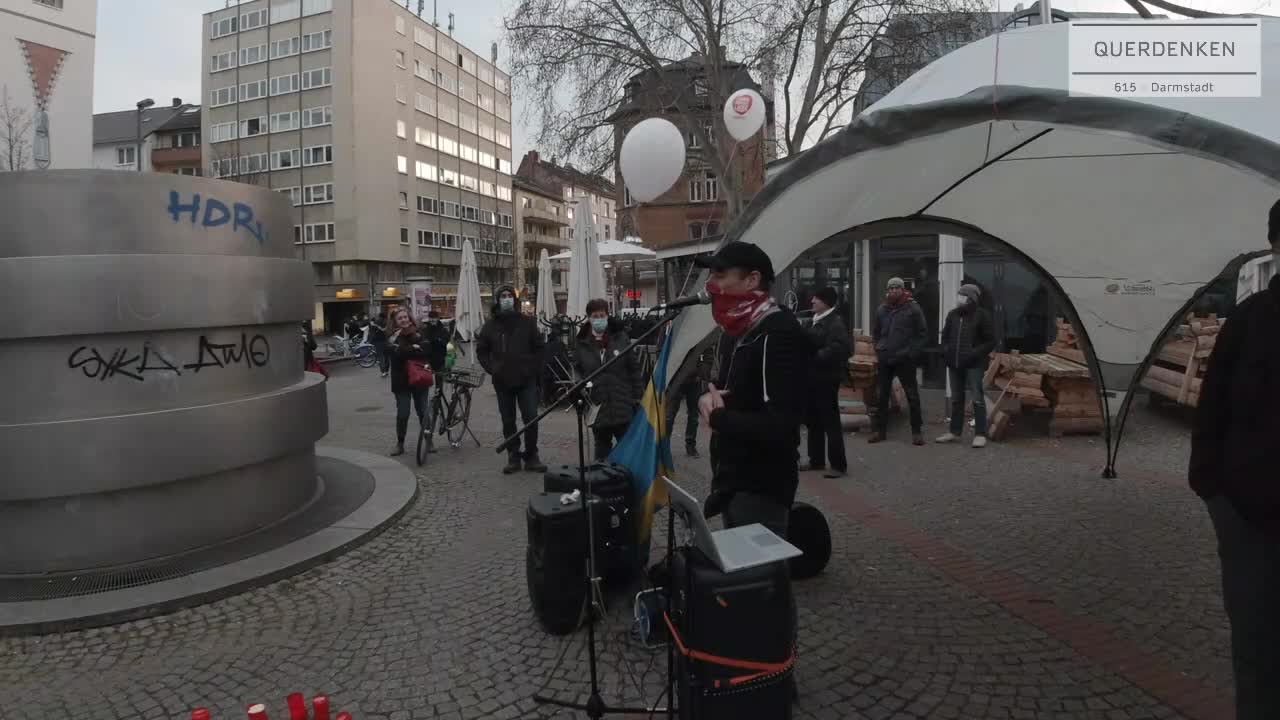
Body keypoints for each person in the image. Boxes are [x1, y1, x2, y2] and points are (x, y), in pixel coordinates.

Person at [1189, 199, 1280, 720]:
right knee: (1255, 647)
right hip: (1247, 515)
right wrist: (1214, 491)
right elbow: (1212, 407)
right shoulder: (1248, 321)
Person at [695, 241, 806, 539]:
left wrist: (719, 418)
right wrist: (713, 396)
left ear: (752, 280)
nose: (711, 285)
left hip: (762, 483)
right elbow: (741, 390)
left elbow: (781, 423)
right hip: (733, 477)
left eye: (720, 275)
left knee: (760, 578)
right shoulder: (738, 329)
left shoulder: (778, 330)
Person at [478, 286, 548, 474]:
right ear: (498, 300)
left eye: (510, 296)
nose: (507, 299)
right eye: (503, 296)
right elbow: (482, 350)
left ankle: (532, 455)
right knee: (508, 421)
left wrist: (533, 369)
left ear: (515, 300)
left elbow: (540, 348)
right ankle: (513, 456)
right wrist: (492, 369)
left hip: (526, 380)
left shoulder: (527, 322)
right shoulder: (490, 325)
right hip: (502, 381)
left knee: (531, 418)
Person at [573, 299, 642, 460]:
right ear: (589, 318)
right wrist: (578, 384)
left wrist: (638, 397)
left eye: (602, 315)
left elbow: (633, 369)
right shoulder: (582, 342)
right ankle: (601, 480)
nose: (599, 319)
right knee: (602, 448)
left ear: (607, 316)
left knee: (627, 448)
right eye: (595, 316)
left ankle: (627, 481)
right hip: (597, 405)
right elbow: (576, 368)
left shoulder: (620, 337)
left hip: (622, 403)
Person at [869, 277, 928, 446]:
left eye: (897, 288)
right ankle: (880, 431)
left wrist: (910, 353)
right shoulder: (881, 309)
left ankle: (917, 432)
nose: (894, 291)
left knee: (912, 396)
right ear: (887, 291)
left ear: (903, 290)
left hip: (905, 359)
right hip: (885, 358)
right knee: (881, 396)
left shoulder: (913, 308)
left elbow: (922, 335)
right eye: (891, 288)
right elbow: (876, 332)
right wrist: (878, 348)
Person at [937, 283, 996, 448]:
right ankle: (954, 432)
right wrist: (945, 351)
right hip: (954, 364)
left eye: (962, 296)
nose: (959, 299)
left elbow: (990, 340)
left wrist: (974, 353)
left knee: (977, 398)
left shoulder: (982, 316)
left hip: (973, 365)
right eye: (959, 295)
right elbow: (946, 336)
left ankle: (980, 434)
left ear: (971, 299)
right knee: (956, 399)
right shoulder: (952, 315)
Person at [801, 287, 851, 478]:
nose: (812, 300)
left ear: (826, 302)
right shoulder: (812, 321)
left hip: (826, 378)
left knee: (831, 422)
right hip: (811, 378)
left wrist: (814, 356)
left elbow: (840, 349)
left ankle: (838, 465)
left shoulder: (835, 323)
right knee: (813, 421)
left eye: (816, 298)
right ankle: (817, 460)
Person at [385, 308, 431, 457]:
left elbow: (425, 350)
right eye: (400, 318)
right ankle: (400, 443)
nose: (404, 320)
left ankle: (428, 440)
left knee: (423, 411)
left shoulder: (419, 332)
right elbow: (395, 354)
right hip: (401, 381)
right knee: (403, 413)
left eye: (405, 317)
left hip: (419, 377)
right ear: (395, 322)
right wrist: (412, 348)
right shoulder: (391, 336)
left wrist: (406, 349)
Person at [666, 341, 714, 458]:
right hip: (676, 379)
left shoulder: (701, 333)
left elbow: (708, 355)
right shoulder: (673, 327)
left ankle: (690, 445)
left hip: (694, 380)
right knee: (669, 415)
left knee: (693, 415)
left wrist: (700, 373)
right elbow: (662, 350)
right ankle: (664, 446)